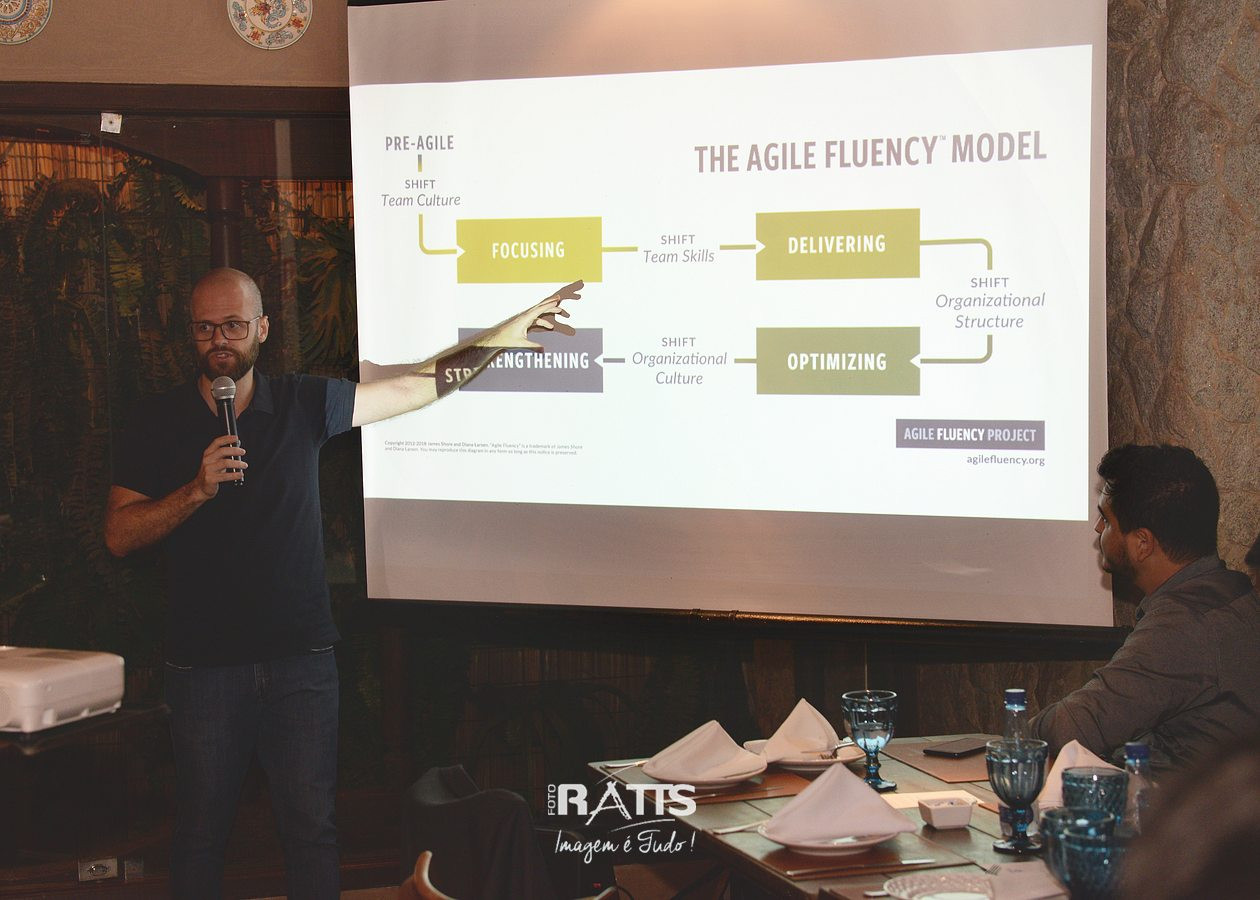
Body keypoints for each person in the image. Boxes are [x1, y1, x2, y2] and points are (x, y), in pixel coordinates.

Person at [103, 268, 581, 899]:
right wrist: (196, 490)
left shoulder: (304, 402)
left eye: (234, 325)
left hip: (300, 664)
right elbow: (120, 534)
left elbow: (411, 388)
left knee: (312, 831)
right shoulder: (156, 420)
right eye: (205, 328)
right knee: (200, 833)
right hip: (204, 669)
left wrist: (501, 336)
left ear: (263, 328)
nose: (219, 340)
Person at [1029, 444, 1260, 775]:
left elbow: (1071, 728)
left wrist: (1021, 733)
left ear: (1142, 543)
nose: (1097, 529)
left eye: (1106, 519)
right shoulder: (1232, 591)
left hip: (1184, 806)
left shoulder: (1183, 627)